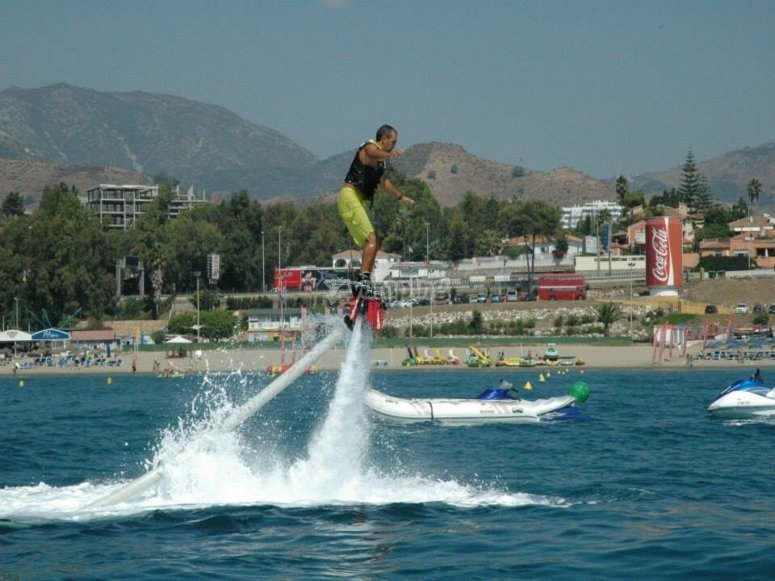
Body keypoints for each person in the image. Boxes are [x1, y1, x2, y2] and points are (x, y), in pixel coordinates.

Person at [338, 124, 415, 295]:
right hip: (350, 196)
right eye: (392, 142)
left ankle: (362, 283)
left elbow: (385, 184)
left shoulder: (380, 164)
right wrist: (390, 155)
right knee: (372, 238)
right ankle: (363, 281)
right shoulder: (369, 148)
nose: (394, 145)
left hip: (357, 201)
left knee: (372, 242)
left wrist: (401, 197)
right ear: (384, 139)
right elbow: (373, 153)